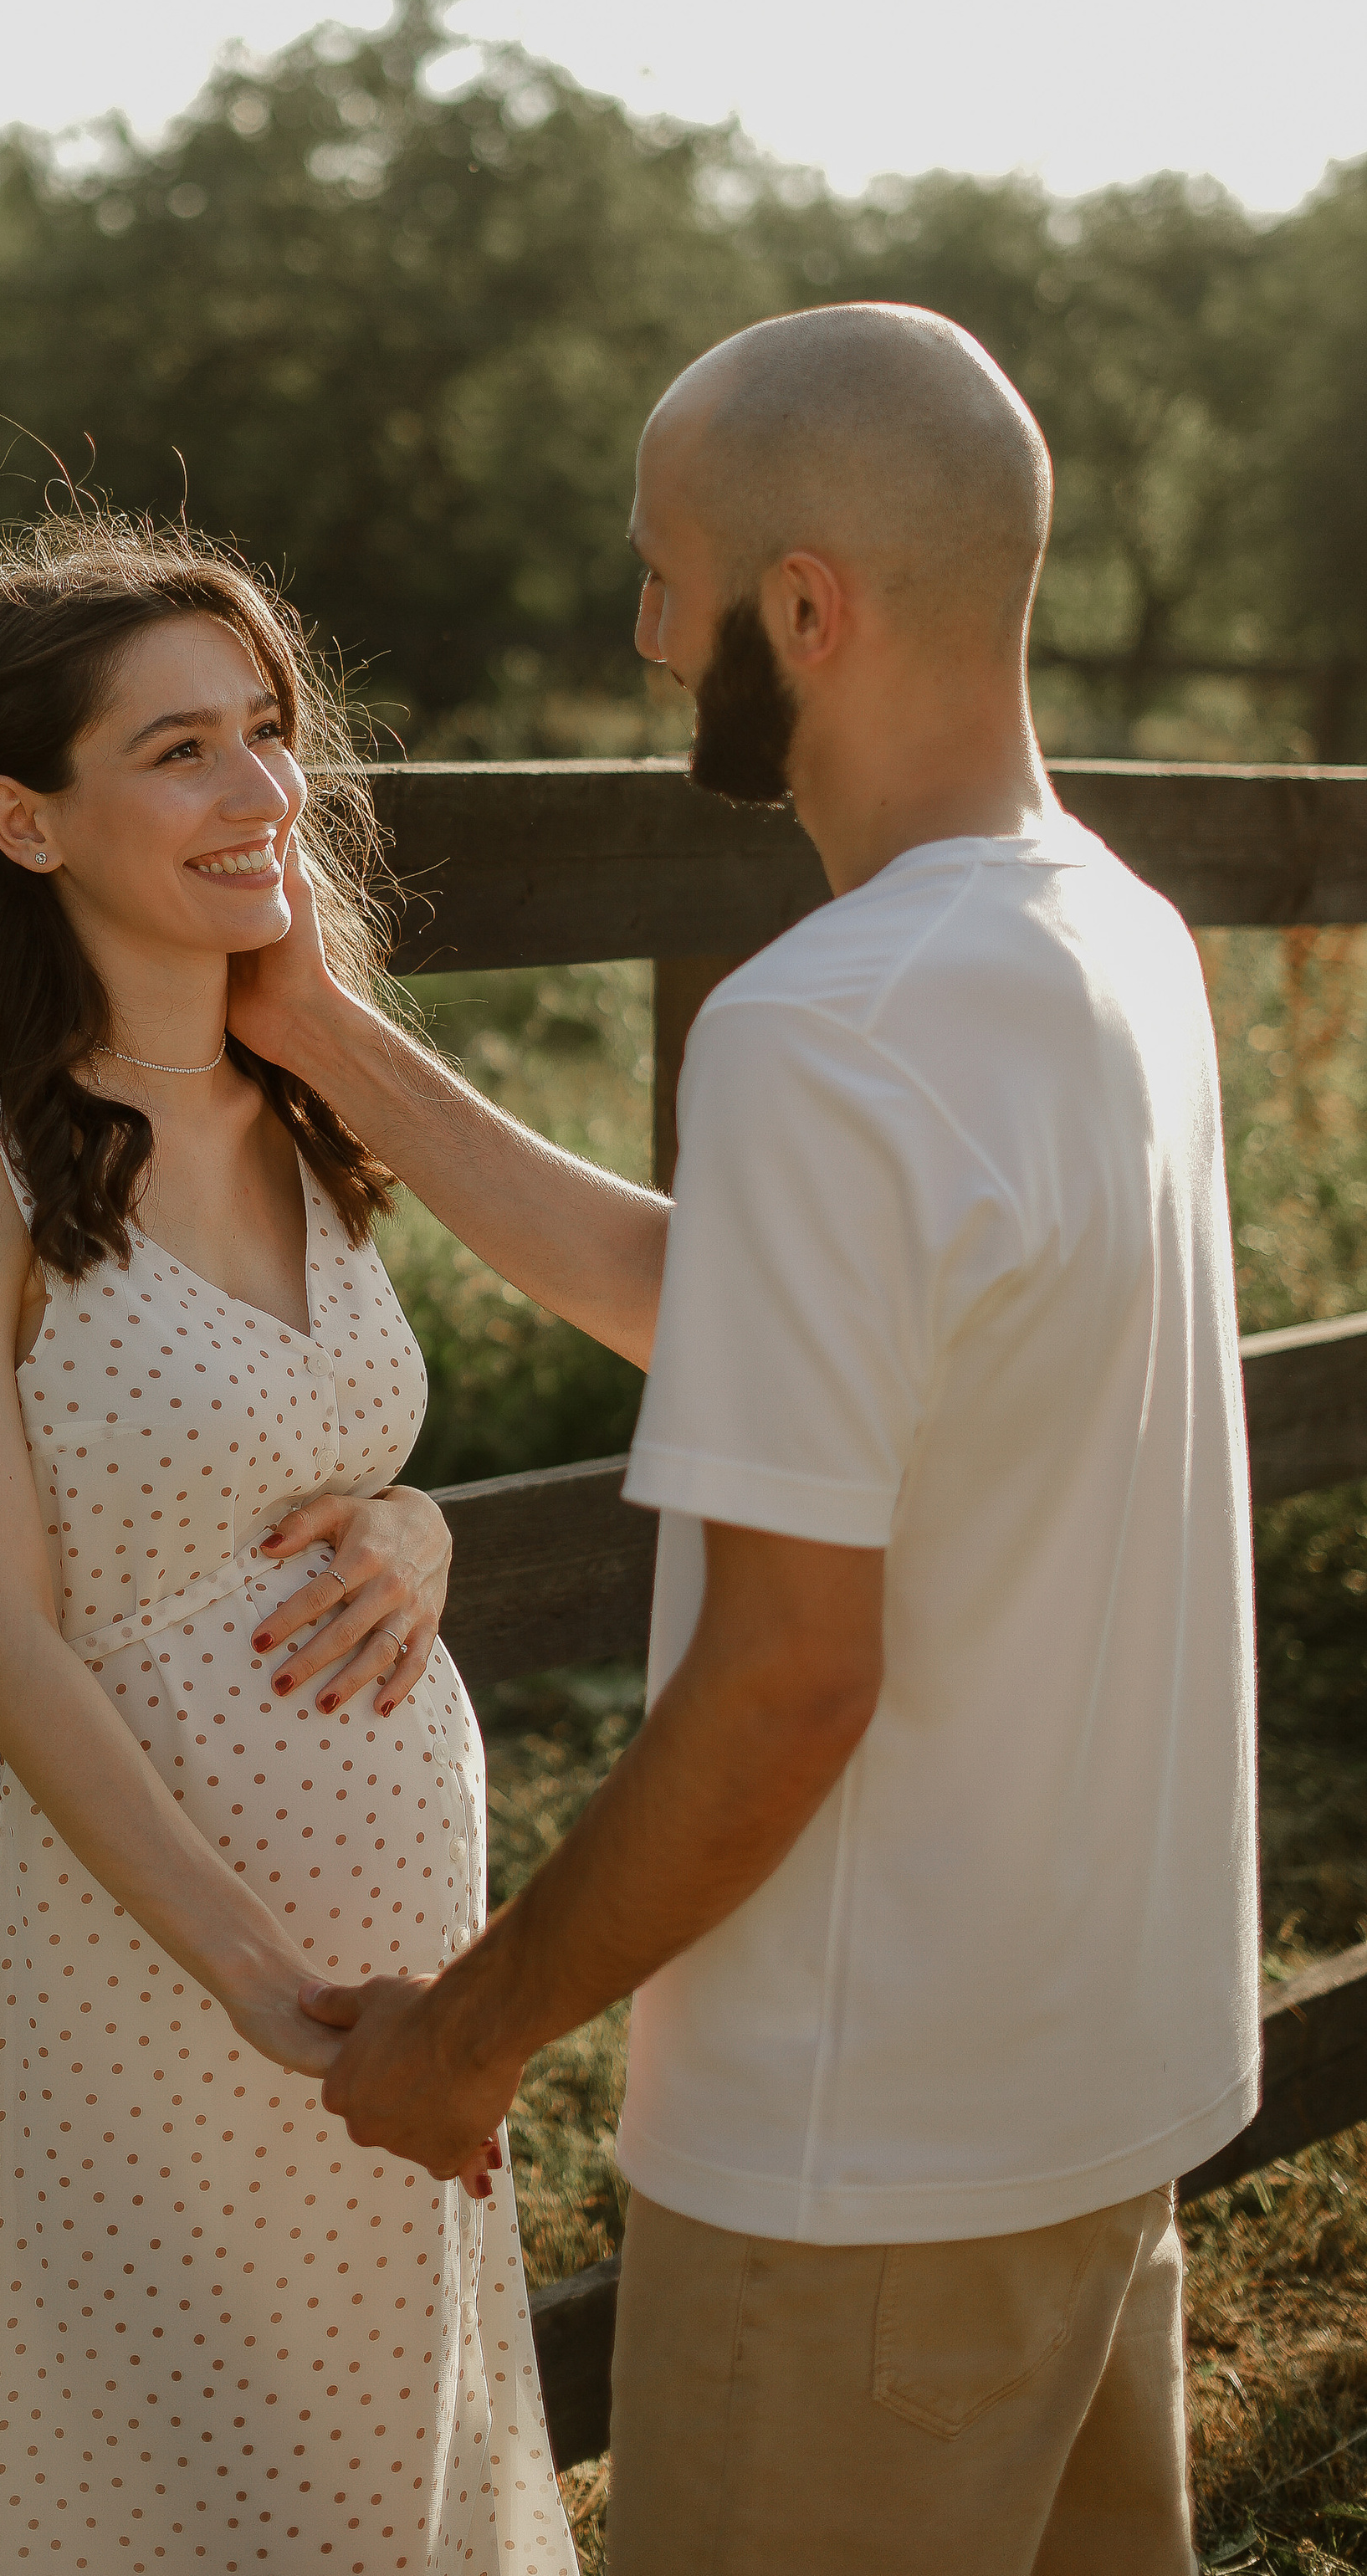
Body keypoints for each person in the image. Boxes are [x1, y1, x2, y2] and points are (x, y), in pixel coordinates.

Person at [231, 303, 1259, 2574]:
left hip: (858, 2172)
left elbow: (792, 1676)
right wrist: (331, 1035)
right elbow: (745, 1316)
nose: (642, 628)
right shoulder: (1118, 943)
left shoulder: (831, 1028)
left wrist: (474, 2035)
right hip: (1102, 2112)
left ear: (809, 609)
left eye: (666, 575)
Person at [0, 513, 576, 2573]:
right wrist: (251, 1977)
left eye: (264, 730)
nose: (262, 790)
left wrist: (416, 1528)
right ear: (23, 816)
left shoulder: (306, 1109)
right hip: (127, 1945)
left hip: (397, 1938)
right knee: (149, 2455)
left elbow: (305, 1464)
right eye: (176, 750)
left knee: (370, 2448)